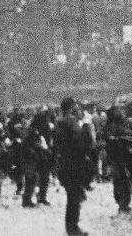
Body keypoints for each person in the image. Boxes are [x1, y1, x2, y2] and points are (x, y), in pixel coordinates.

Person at [56, 96, 93, 236]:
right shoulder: (71, 122)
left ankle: (71, 226)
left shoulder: (60, 121)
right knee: (74, 197)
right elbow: (80, 142)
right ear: (71, 107)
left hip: (65, 163)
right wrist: (85, 126)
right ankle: (73, 228)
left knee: (72, 196)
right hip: (74, 164)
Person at [21, 108, 54, 208]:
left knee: (44, 178)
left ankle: (42, 198)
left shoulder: (47, 128)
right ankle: (27, 200)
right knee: (31, 178)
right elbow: (27, 144)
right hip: (33, 156)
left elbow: (49, 141)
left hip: (43, 155)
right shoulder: (32, 130)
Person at [103, 107, 132, 214]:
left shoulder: (112, 126)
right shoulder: (112, 126)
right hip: (118, 157)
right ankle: (123, 204)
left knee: (120, 181)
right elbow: (110, 138)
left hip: (118, 157)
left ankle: (123, 204)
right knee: (121, 180)